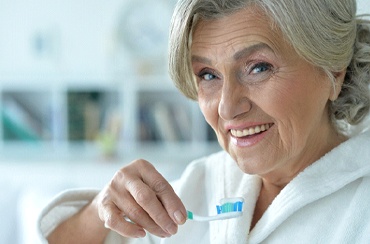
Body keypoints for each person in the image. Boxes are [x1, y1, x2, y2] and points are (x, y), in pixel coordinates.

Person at [39, 0, 370, 243]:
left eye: (259, 67)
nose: (227, 107)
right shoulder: (200, 185)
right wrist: (104, 206)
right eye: (208, 74)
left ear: (334, 70)